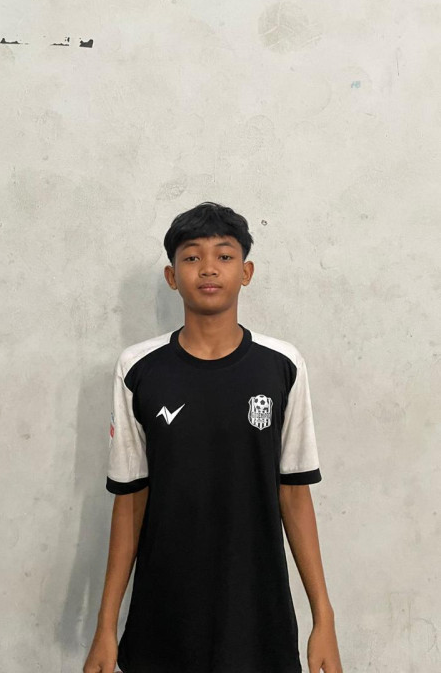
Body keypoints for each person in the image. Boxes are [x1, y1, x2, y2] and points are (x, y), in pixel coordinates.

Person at [84, 201, 343, 673]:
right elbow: (130, 499)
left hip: (258, 613)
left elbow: (294, 494)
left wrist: (323, 618)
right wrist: (105, 626)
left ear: (246, 272)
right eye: (191, 256)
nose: (208, 268)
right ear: (171, 276)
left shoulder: (282, 366)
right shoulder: (138, 369)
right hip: (164, 613)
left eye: (224, 255)